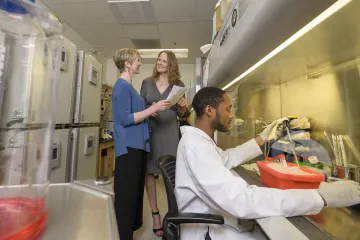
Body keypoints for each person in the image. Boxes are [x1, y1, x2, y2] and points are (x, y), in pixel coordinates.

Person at [175, 87, 360, 240]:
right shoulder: (195, 147)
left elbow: (227, 158)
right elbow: (243, 200)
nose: (232, 115)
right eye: (228, 108)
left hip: (216, 221)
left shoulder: (200, 142)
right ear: (209, 110)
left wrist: (262, 138)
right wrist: (318, 197)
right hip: (207, 233)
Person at [111, 48, 170, 240]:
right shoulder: (121, 86)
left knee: (134, 195)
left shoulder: (130, 87)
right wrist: (152, 108)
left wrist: (148, 111)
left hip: (137, 147)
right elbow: (125, 118)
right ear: (127, 64)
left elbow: (135, 112)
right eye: (137, 60)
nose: (140, 64)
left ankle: (127, 232)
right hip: (129, 147)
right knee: (126, 195)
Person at [140, 50, 188, 237]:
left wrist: (183, 106)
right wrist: (149, 109)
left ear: (171, 65)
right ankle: (155, 215)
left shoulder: (179, 85)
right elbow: (139, 107)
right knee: (149, 173)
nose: (160, 63)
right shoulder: (146, 82)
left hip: (169, 133)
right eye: (158, 59)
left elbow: (182, 114)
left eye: (164, 61)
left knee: (171, 175)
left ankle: (173, 215)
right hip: (150, 132)